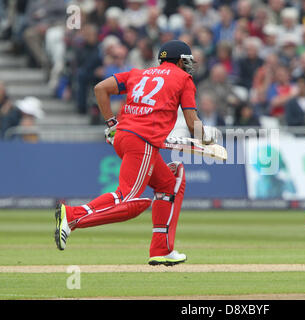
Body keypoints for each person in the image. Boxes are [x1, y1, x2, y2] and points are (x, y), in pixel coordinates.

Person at [54, 40, 220, 266]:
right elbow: (192, 123)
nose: (188, 66)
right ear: (181, 60)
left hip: (123, 136)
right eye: (187, 62)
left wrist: (112, 123)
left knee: (169, 183)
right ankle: (72, 216)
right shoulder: (184, 79)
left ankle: (162, 249)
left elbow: (100, 89)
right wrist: (207, 138)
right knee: (127, 199)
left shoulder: (138, 73)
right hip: (142, 141)